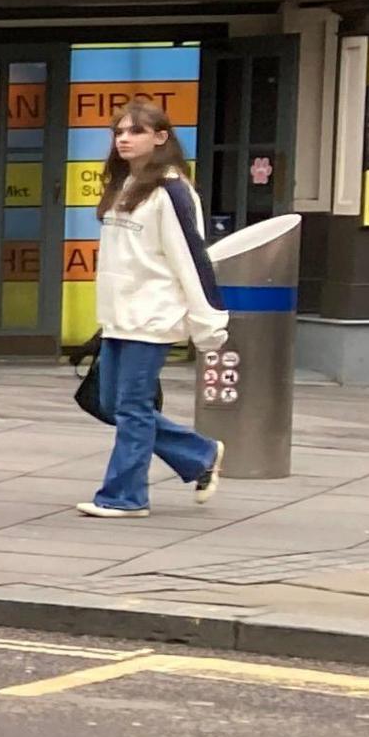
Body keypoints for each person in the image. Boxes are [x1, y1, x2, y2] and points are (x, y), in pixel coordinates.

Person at [79, 101, 229, 519]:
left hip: (153, 316)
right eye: (119, 132)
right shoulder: (125, 185)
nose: (124, 139)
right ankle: (199, 454)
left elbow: (191, 257)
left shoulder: (172, 190)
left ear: (161, 138)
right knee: (113, 404)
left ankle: (124, 496)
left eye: (135, 132)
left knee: (130, 408)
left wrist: (209, 322)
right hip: (119, 317)